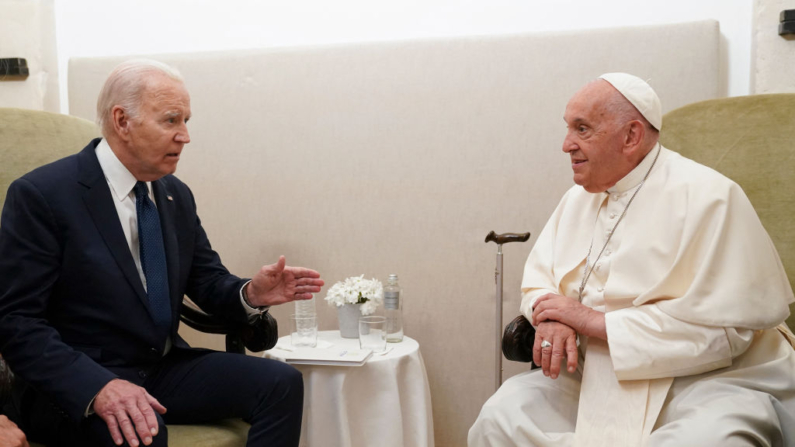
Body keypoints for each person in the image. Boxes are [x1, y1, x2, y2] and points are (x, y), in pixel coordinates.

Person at [0, 59, 325, 446]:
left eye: (186, 121)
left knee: (281, 383)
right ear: (122, 121)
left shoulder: (173, 194)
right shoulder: (43, 195)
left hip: (161, 368)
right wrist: (98, 387)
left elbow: (206, 281)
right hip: (76, 383)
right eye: (171, 120)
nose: (185, 136)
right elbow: (17, 321)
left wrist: (251, 294)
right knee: (142, 430)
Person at [468, 73, 795, 446]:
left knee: (713, 440)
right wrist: (552, 317)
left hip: (707, 380)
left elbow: (727, 336)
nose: (565, 145)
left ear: (631, 136)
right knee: (499, 419)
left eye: (582, 129)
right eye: (568, 128)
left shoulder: (711, 197)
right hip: (595, 374)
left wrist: (593, 322)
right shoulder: (576, 200)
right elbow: (539, 282)